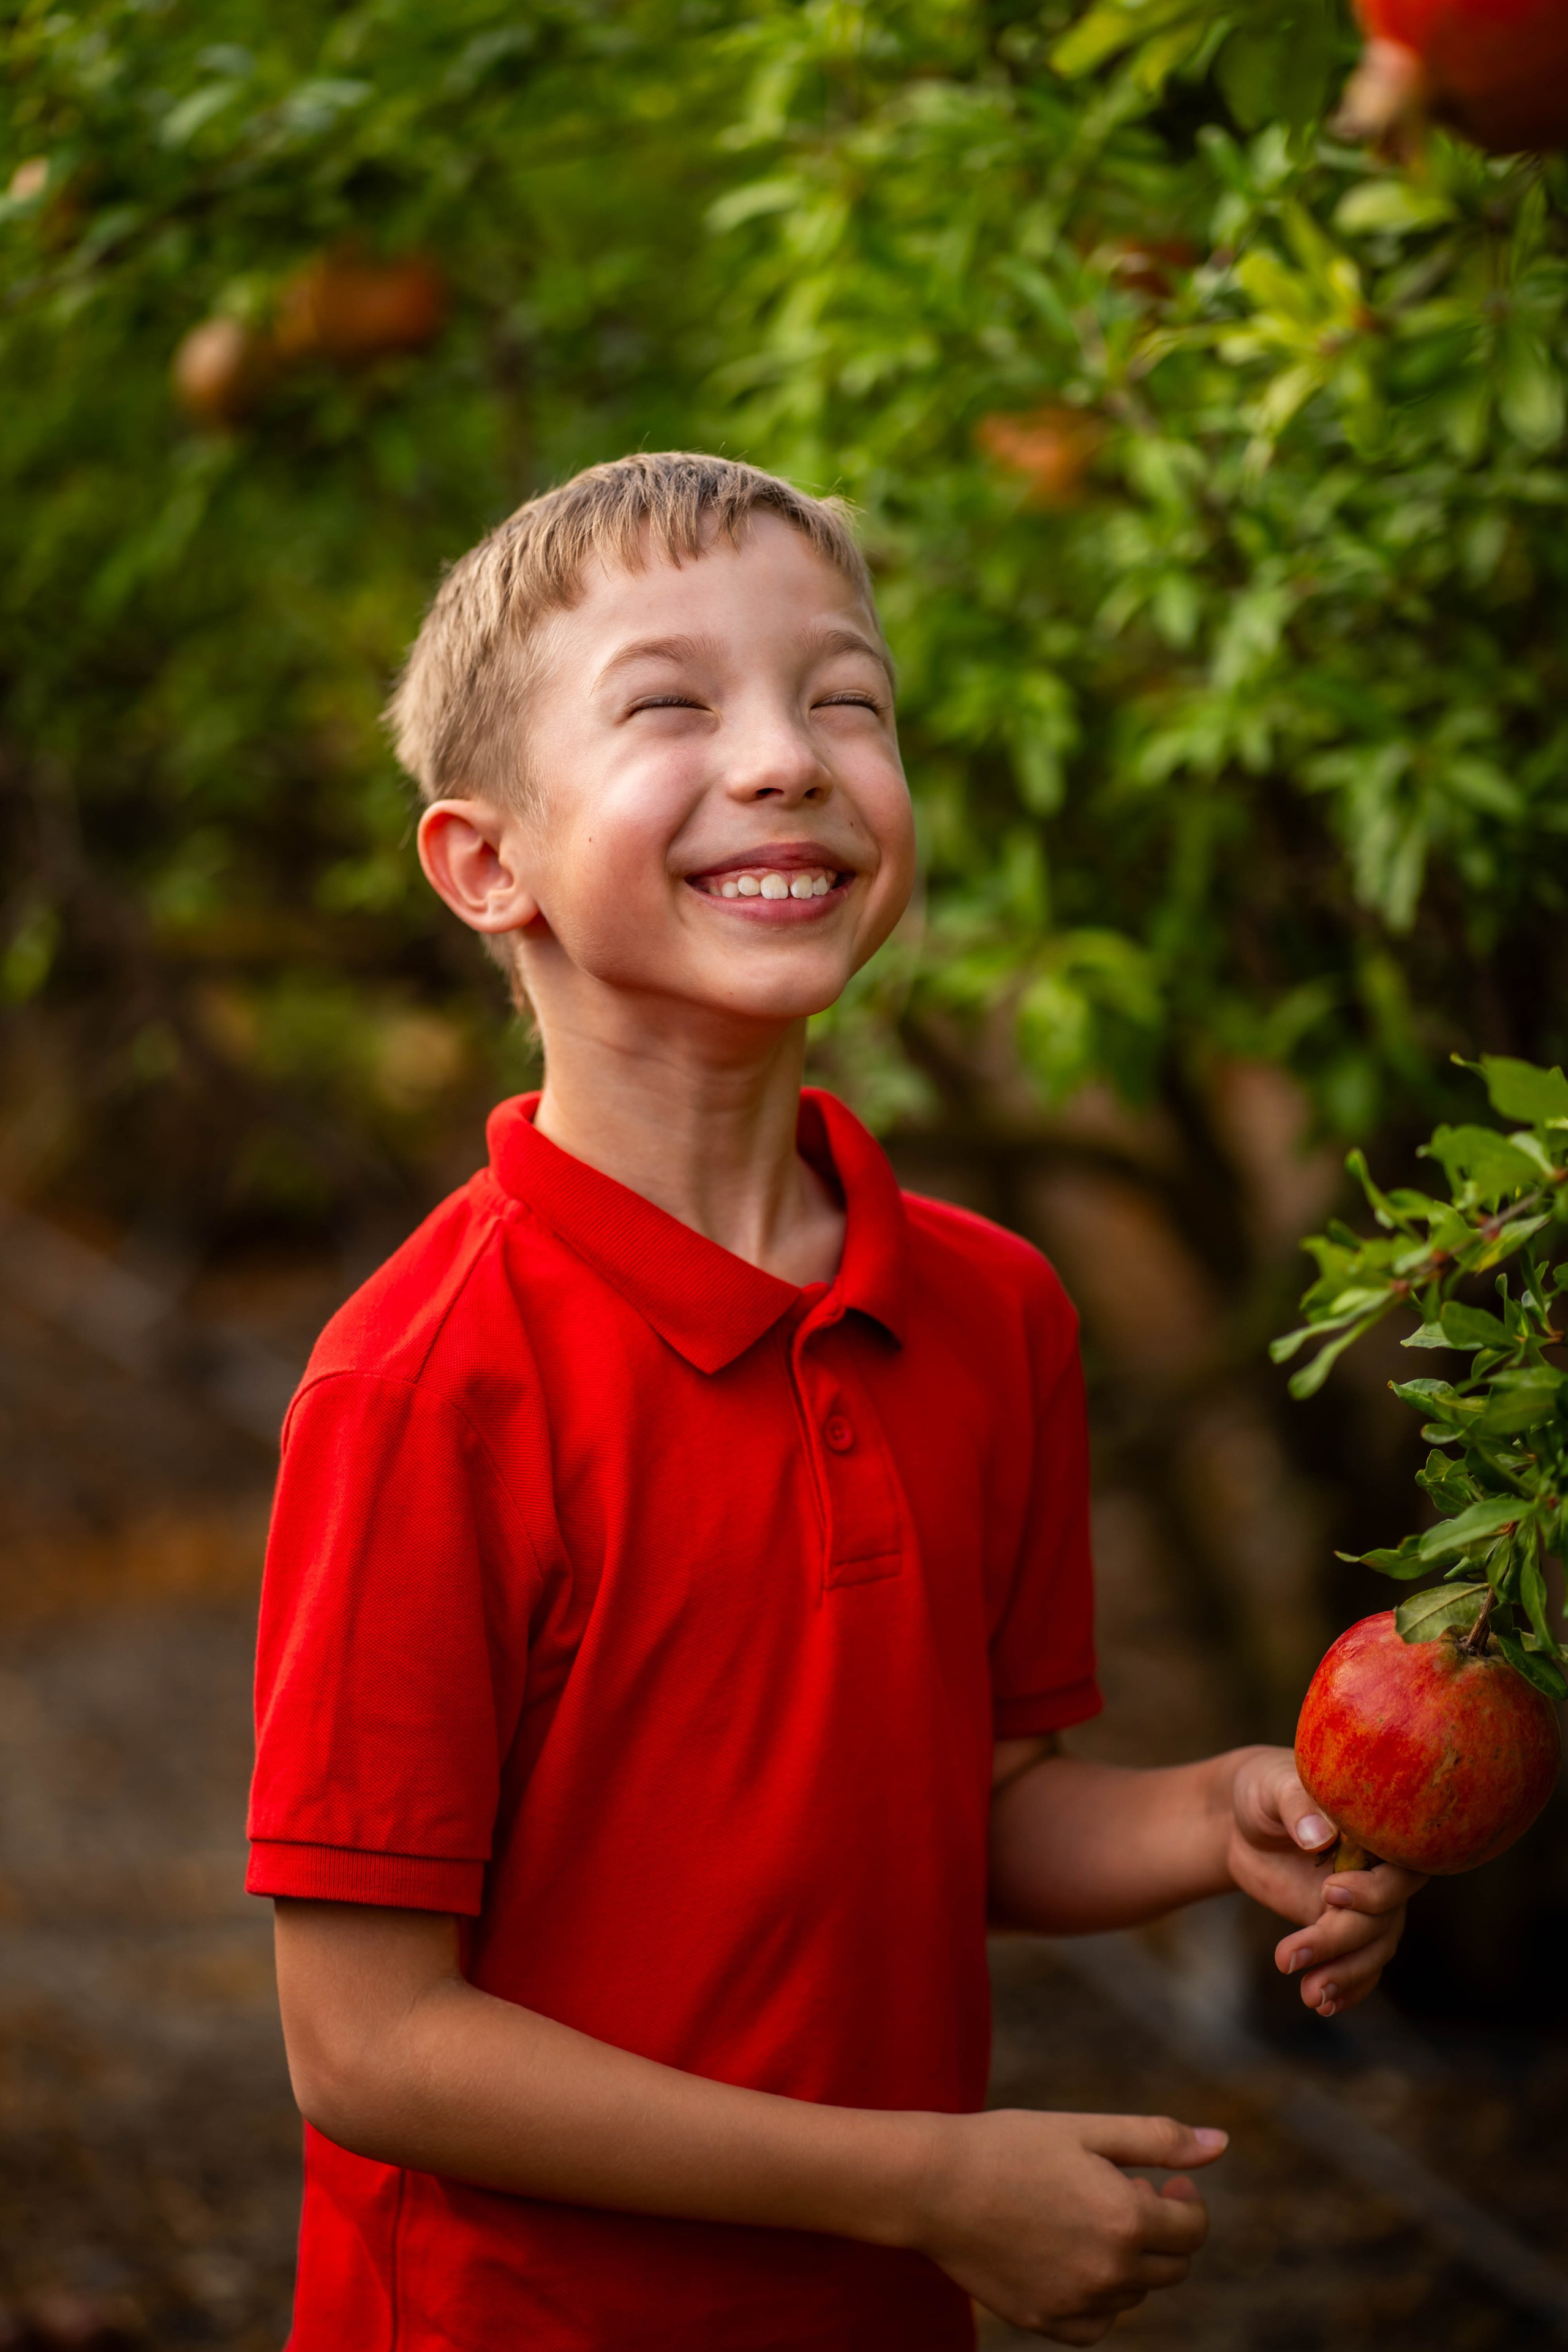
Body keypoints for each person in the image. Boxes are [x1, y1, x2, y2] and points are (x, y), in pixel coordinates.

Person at [247, 452, 1423, 2351]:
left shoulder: (987, 1310)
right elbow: (371, 2050)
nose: (789, 756)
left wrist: (1219, 1816)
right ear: (487, 863)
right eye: (671, 704)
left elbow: (971, 1812)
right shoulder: (423, 1384)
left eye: (847, 700)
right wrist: (926, 2185)